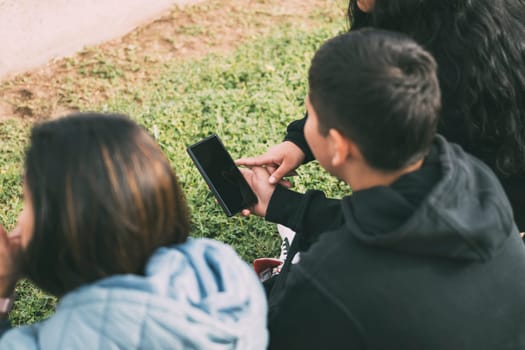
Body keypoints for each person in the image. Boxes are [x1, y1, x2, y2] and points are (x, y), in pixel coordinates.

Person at [241, 29, 525, 349]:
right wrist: (282, 204)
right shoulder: (473, 176)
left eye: (310, 115)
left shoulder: (325, 281)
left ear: (338, 145)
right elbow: (387, 229)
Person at [237, 0, 525, 233]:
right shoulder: (403, 16)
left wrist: (284, 206)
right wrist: (299, 142)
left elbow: (401, 228)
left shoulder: (461, 86)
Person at [0, 113, 268, 349]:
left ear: (66, 230)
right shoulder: (224, 277)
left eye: (28, 202)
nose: (19, 219)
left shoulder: (67, 341)